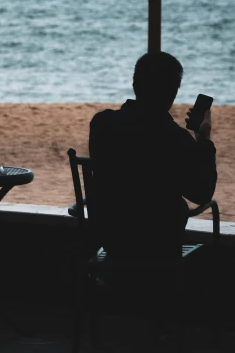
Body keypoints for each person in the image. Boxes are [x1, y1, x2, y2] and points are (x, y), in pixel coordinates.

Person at [89, 51, 217, 261]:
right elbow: (202, 194)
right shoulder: (175, 138)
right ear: (172, 93)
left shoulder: (102, 124)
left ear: (135, 83)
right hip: (160, 248)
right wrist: (203, 141)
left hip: (114, 242)